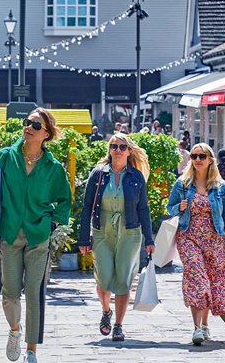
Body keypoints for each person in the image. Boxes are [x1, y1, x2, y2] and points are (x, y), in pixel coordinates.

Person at [0, 108, 72, 363]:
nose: (29, 127)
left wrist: (52, 221)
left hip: (38, 235)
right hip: (10, 232)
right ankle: (15, 329)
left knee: (35, 293)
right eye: (27, 123)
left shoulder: (52, 167)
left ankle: (31, 351)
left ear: (46, 134)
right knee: (10, 292)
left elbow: (65, 200)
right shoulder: (5, 157)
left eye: (36, 125)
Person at [78, 133, 155, 342]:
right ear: (109, 150)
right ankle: (106, 311)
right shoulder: (98, 174)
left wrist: (149, 239)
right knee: (103, 278)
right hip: (102, 230)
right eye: (114, 146)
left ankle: (119, 326)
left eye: (122, 147)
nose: (118, 150)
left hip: (129, 232)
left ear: (129, 151)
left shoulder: (136, 176)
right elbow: (86, 207)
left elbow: (143, 208)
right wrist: (84, 238)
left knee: (124, 279)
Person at [166, 143, 225, 345]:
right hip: (188, 237)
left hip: (214, 240)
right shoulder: (182, 184)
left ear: (210, 160)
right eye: (194, 156)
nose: (197, 160)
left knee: (211, 280)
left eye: (202, 156)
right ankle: (197, 327)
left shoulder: (221, 187)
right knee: (198, 279)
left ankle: (205, 324)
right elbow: (169, 208)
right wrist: (179, 207)